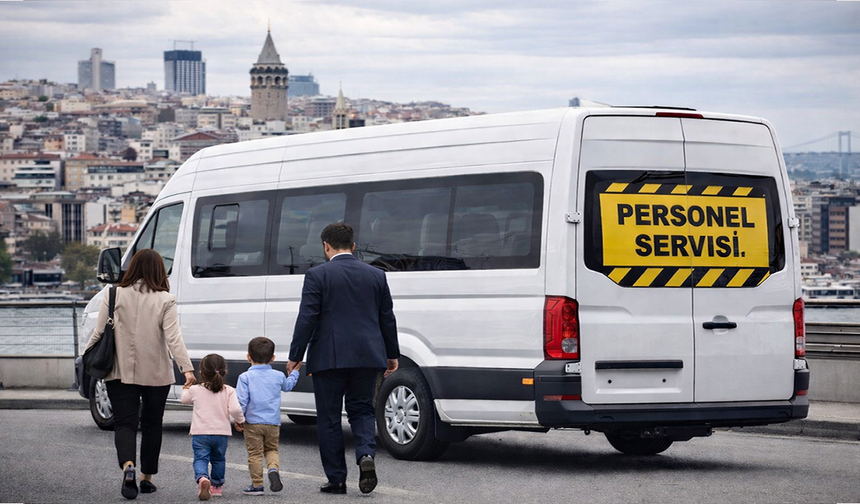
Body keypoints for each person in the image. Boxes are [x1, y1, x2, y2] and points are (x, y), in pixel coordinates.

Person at [287, 222, 399, 495]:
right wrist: (391, 354)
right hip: (368, 356)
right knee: (362, 410)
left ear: (326, 246)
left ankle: (336, 479)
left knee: (329, 418)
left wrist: (295, 356)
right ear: (353, 244)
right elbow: (387, 317)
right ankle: (365, 455)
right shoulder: (376, 275)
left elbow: (307, 318)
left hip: (329, 356)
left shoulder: (317, 275)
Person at [85, 248, 195, 500]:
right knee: (153, 424)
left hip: (119, 371)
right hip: (156, 373)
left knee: (124, 423)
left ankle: (128, 467)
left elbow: (99, 332)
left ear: (132, 267)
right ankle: (147, 478)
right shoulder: (165, 299)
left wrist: (88, 356)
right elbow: (173, 338)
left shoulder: (112, 294)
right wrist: (186, 368)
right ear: (159, 270)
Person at [236, 337, 300, 496]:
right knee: (271, 449)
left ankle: (257, 485)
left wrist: (239, 419)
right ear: (273, 358)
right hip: (273, 423)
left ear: (248, 357)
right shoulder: (278, 375)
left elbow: (242, 401)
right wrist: (295, 373)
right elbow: (288, 386)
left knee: (255, 454)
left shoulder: (245, 377)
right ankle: (273, 469)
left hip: (252, 423)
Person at [180, 353, 245, 500]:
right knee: (219, 460)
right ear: (224, 372)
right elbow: (235, 409)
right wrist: (240, 420)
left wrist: (185, 387)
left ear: (201, 373)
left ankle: (203, 479)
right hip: (221, 434)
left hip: (200, 433)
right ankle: (216, 487)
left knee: (201, 459)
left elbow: (184, 400)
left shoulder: (195, 389)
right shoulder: (229, 390)